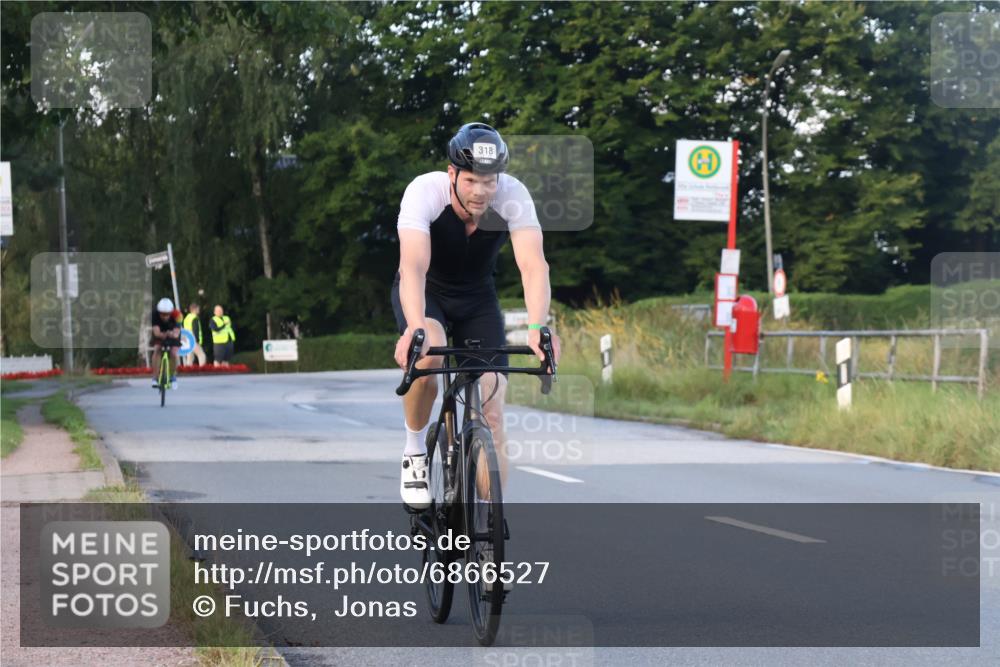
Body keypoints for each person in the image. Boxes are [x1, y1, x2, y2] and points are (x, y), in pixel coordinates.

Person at [392, 122, 561, 513]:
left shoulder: (513, 195)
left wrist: (538, 327)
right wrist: (415, 326)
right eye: (471, 180)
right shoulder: (424, 192)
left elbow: (534, 266)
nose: (482, 191)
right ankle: (415, 452)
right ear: (452, 174)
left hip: (477, 297)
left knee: (493, 409)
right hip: (426, 293)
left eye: (489, 181)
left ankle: (487, 521)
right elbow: (413, 267)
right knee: (429, 353)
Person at [151, 298, 182, 388]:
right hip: (160, 331)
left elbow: (176, 333)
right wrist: (163, 334)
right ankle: (155, 377)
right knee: (157, 350)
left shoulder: (178, 315)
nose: (165, 317)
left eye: (167, 314)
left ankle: (173, 376)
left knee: (173, 353)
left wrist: (172, 334)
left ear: (171, 312)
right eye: (162, 314)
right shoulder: (154, 314)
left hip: (173, 332)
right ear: (158, 312)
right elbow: (156, 332)